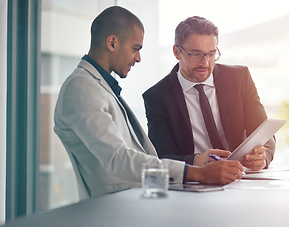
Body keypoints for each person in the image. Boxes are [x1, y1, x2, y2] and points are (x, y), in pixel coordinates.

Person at [54, 7, 243, 198]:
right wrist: (196, 173)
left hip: (131, 202)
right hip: (112, 209)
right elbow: (117, 159)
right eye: (135, 48)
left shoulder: (99, 86)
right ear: (112, 43)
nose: (138, 58)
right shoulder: (81, 88)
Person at [143, 16, 276, 171]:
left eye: (211, 54)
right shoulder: (157, 97)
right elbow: (163, 156)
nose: (205, 63)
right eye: (196, 54)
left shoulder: (239, 78)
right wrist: (197, 160)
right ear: (176, 52)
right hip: (196, 181)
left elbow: (264, 134)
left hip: (242, 176)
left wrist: (263, 157)